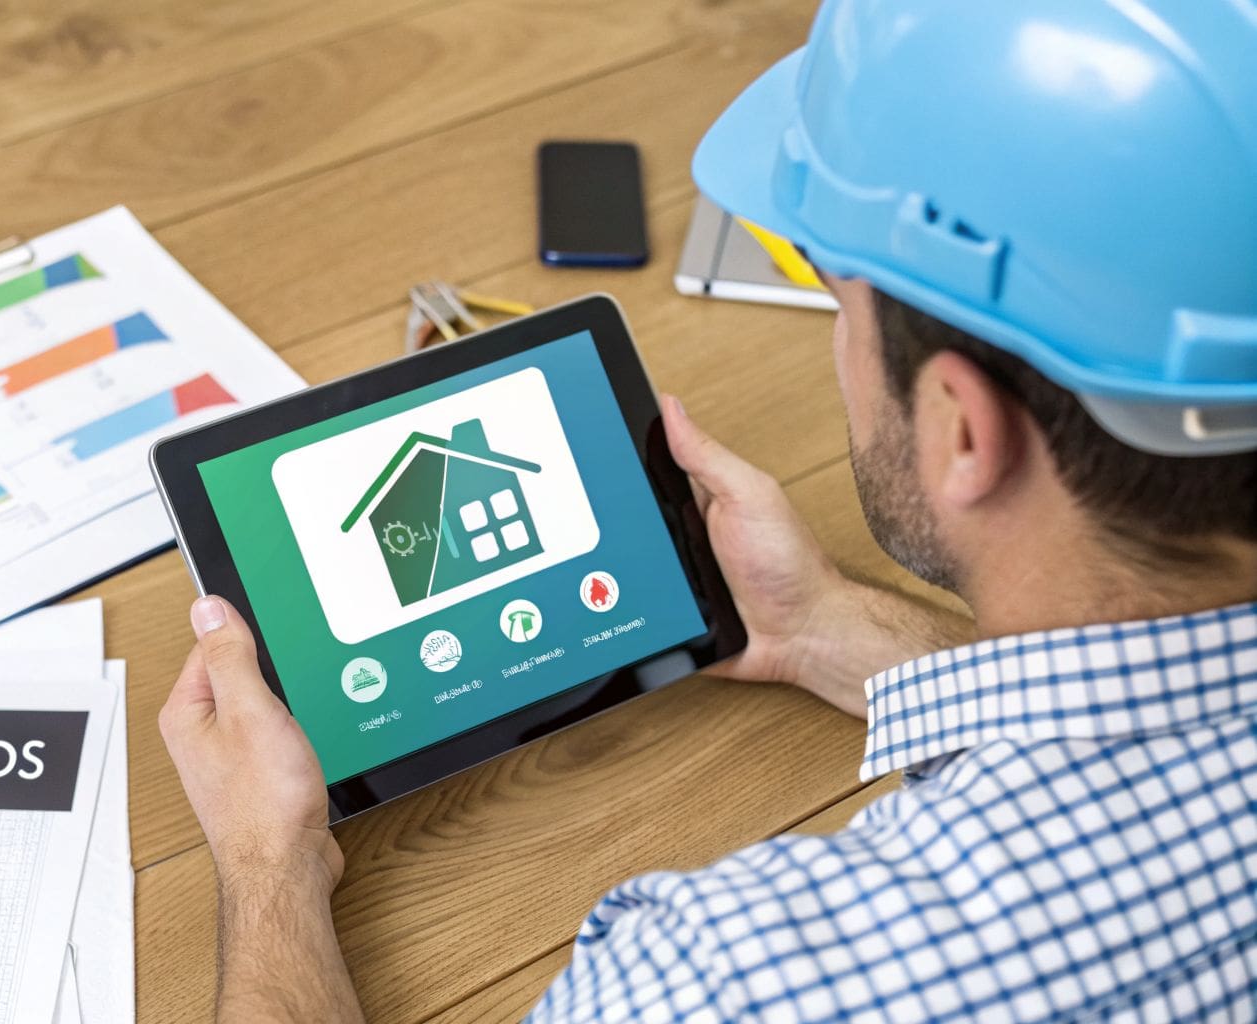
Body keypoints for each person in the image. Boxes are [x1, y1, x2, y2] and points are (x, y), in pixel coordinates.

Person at [159, 1, 1257, 1019]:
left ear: (960, 431)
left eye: (837, 298)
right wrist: (816, 624)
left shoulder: (731, 977)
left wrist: (270, 866)